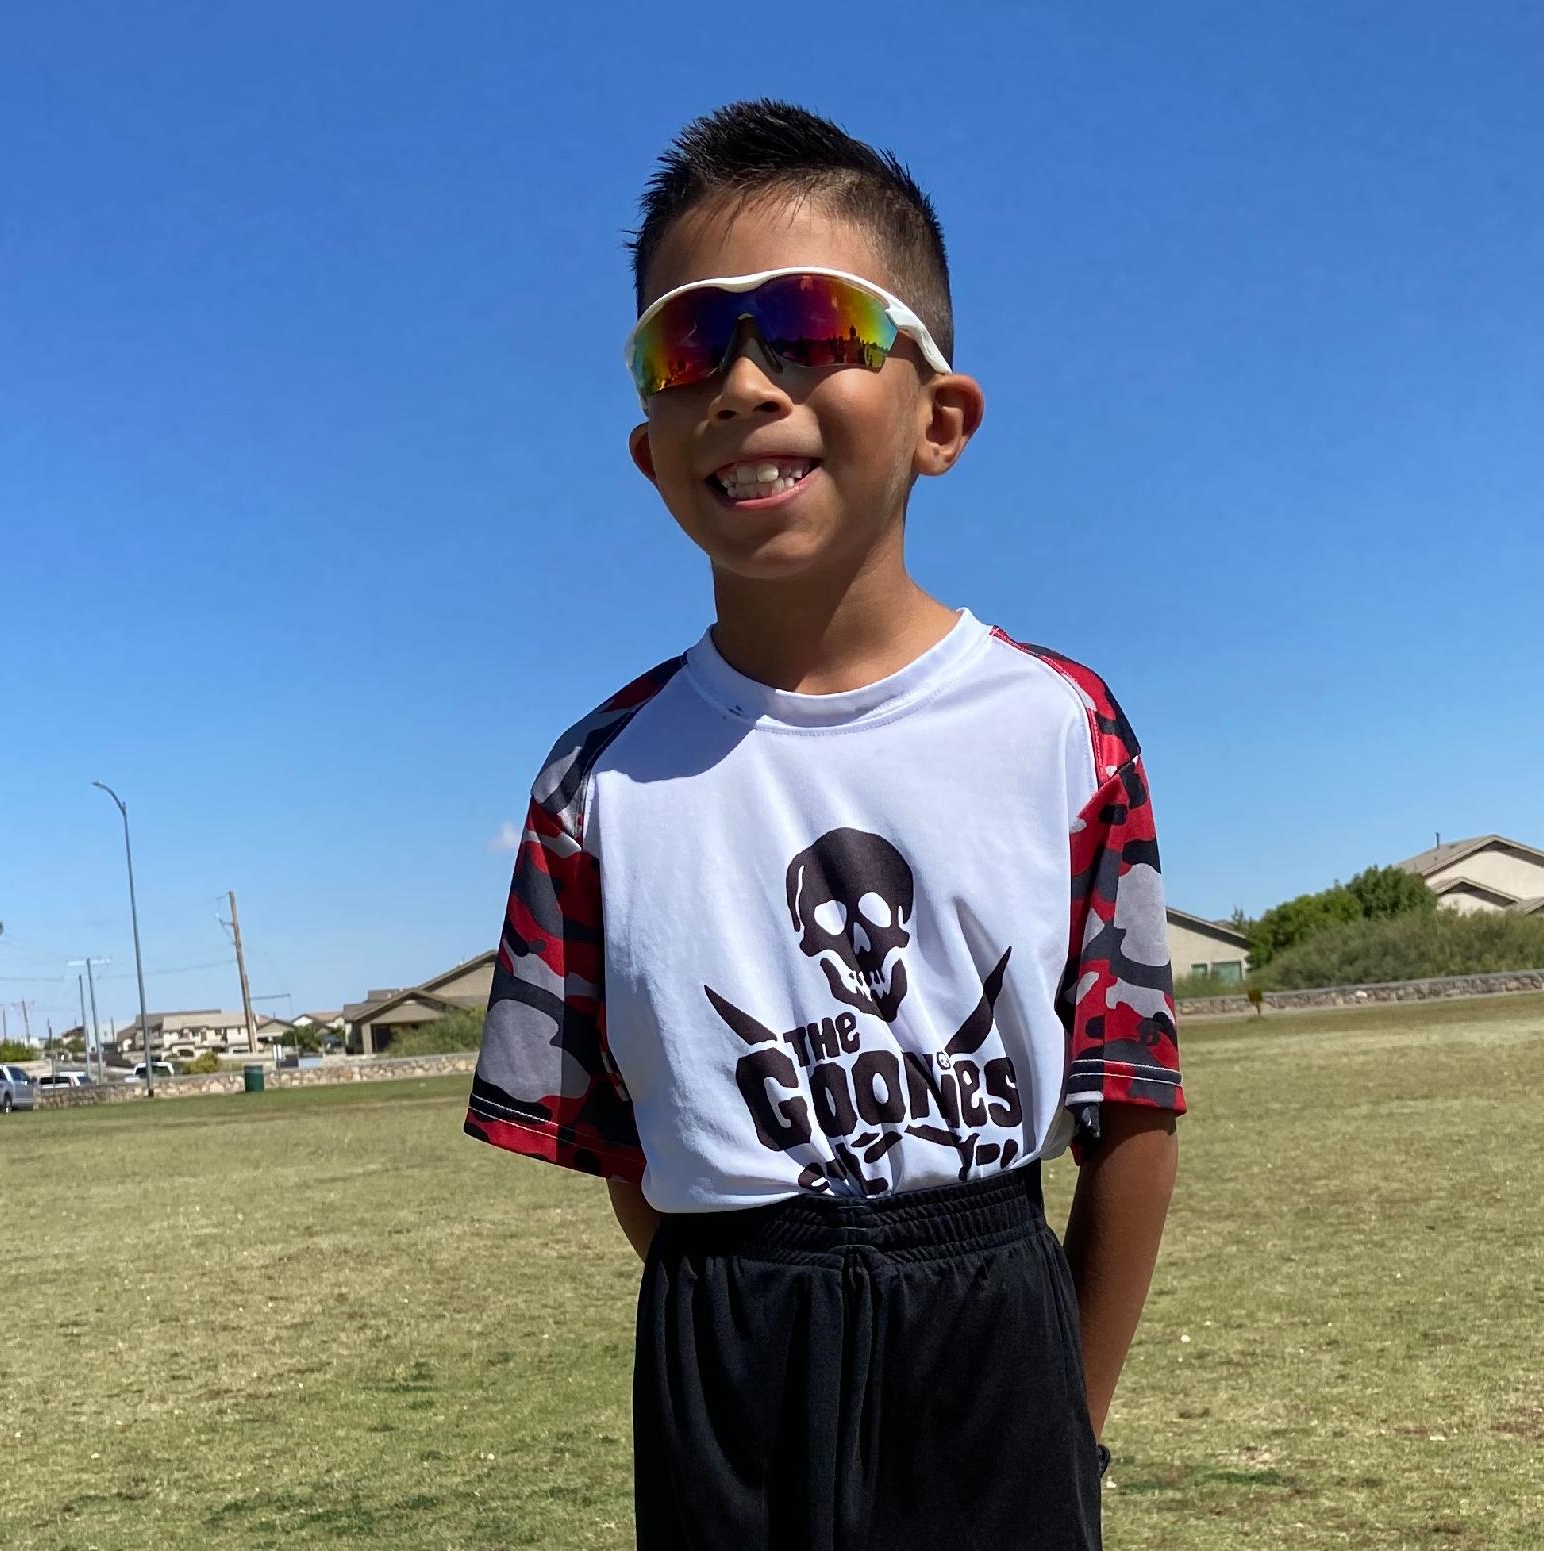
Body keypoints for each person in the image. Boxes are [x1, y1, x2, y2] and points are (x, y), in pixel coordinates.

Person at [465, 98, 1184, 1551]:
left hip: (995, 1325)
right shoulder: (597, 780)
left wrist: (1071, 1414)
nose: (743, 383)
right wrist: (748, 1305)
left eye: (808, 327)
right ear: (650, 451)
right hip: (726, 1342)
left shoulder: (1062, 728)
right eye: (687, 346)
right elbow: (621, 1138)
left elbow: (1131, 1103)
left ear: (941, 419)